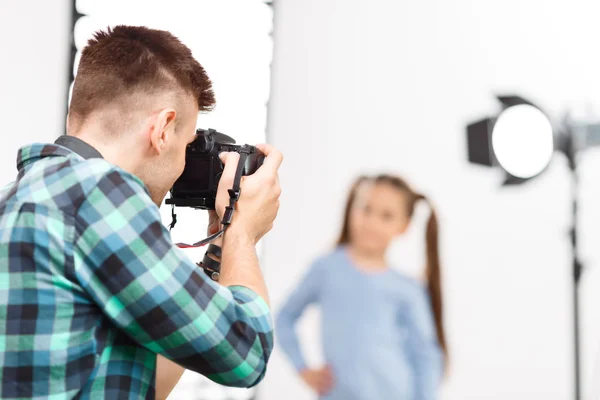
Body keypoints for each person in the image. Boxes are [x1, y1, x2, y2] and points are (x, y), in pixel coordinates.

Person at [0, 25, 282, 399]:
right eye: (187, 144)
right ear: (163, 129)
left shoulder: (22, 197)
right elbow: (247, 352)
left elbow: (149, 384)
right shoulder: (100, 195)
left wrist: (218, 251)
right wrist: (243, 234)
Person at [276, 174, 445, 400]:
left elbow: (426, 356)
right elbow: (285, 317)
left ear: (403, 226)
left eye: (386, 216)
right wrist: (302, 367)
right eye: (366, 209)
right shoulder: (326, 269)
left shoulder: (408, 289)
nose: (372, 222)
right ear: (352, 209)